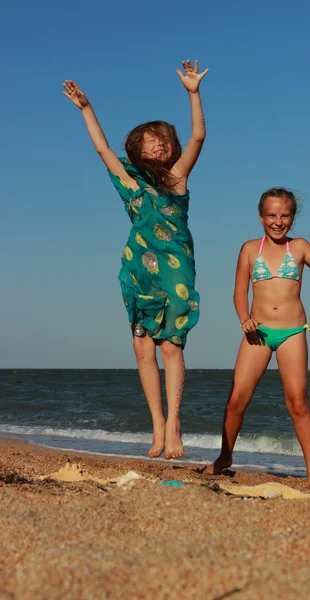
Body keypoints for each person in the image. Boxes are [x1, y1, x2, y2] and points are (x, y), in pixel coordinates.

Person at [62, 60, 209, 460]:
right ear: (137, 148)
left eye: (163, 138)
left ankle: (175, 423)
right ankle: (157, 426)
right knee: (143, 347)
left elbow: (198, 136)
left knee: (171, 346)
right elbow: (101, 148)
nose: (159, 144)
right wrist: (87, 108)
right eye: (150, 140)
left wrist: (193, 93)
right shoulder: (128, 181)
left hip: (177, 268)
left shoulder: (178, 176)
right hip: (138, 270)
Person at [208, 188, 310, 483]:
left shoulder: (301, 247)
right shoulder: (248, 249)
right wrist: (244, 317)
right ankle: (225, 455)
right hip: (258, 332)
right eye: (272, 215)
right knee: (237, 399)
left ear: (292, 218)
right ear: (261, 217)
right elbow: (239, 291)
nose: (278, 221)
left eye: (284, 215)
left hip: (293, 332)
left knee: (297, 401)